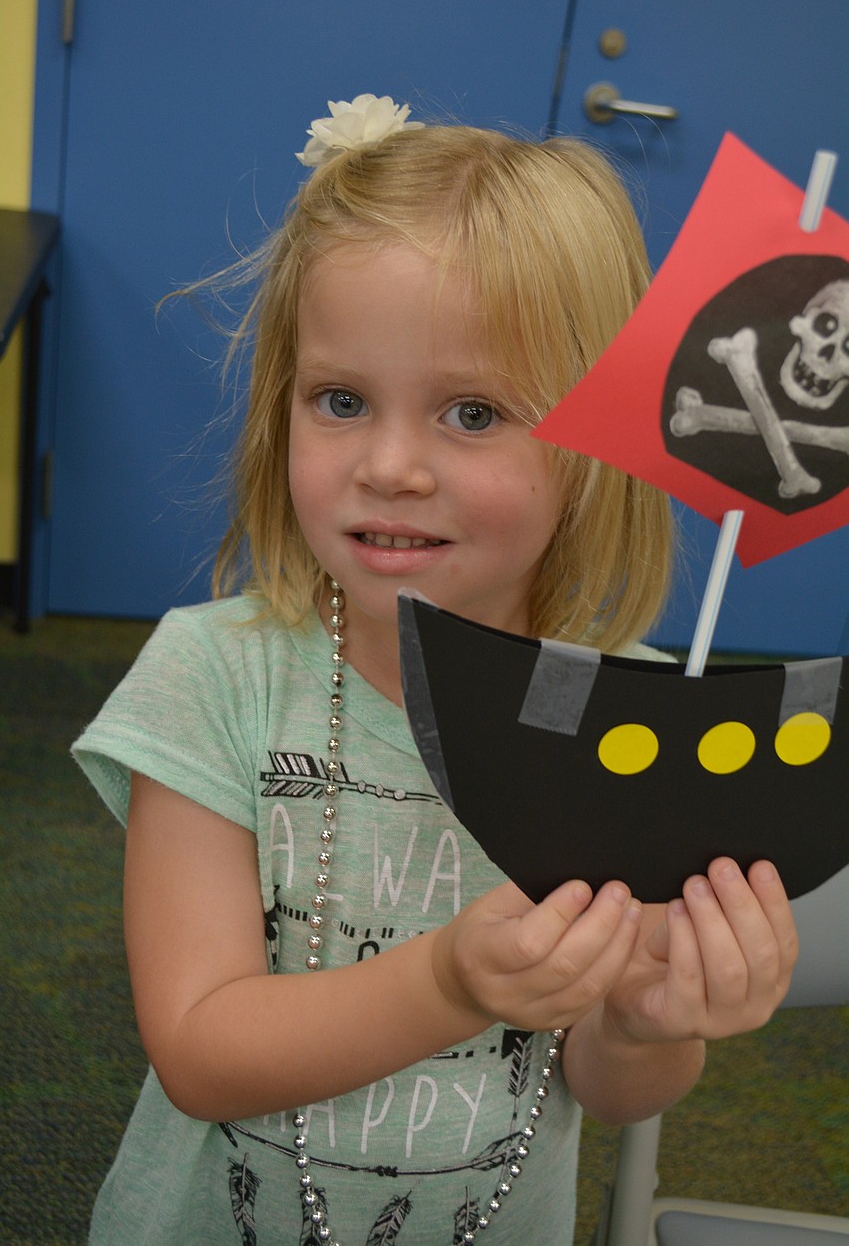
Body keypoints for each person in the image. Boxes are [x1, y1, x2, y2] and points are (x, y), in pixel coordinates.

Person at [72, 95, 798, 1245]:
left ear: (593, 450)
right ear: (281, 413)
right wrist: (450, 983)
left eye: (472, 412)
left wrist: (658, 1023)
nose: (391, 466)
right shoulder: (210, 680)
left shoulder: (638, 723)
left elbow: (611, 1090)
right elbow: (201, 1052)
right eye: (341, 401)